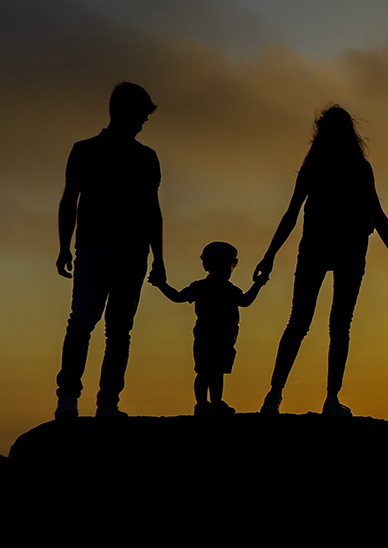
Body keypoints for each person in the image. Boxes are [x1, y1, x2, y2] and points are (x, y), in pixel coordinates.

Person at [254, 105, 388, 416]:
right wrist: (269, 256)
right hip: (333, 250)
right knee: (327, 325)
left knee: (307, 323)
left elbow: (374, 213)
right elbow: (294, 214)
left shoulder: (334, 167)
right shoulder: (339, 168)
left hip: (332, 250)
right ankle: (312, 397)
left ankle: (284, 395)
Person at [55, 82, 166, 419]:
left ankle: (106, 403)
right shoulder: (84, 150)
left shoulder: (146, 157)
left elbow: (152, 210)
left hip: (131, 254)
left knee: (116, 329)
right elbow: (69, 201)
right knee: (85, 321)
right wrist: (64, 247)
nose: (142, 124)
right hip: (95, 249)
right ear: (124, 113)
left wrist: (158, 258)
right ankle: (69, 399)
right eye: (141, 117)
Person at [151, 241, 267, 415]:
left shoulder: (230, 289)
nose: (226, 269)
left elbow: (245, 301)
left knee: (218, 371)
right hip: (206, 337)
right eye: (221, 265)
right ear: (208, 266)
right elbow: (178, 297)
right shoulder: (201, 287)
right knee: (205, 371)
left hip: (226, 339)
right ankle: (202, 404)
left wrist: (258, 284)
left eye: (229, 265)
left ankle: (215, 403)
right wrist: (161, 284)